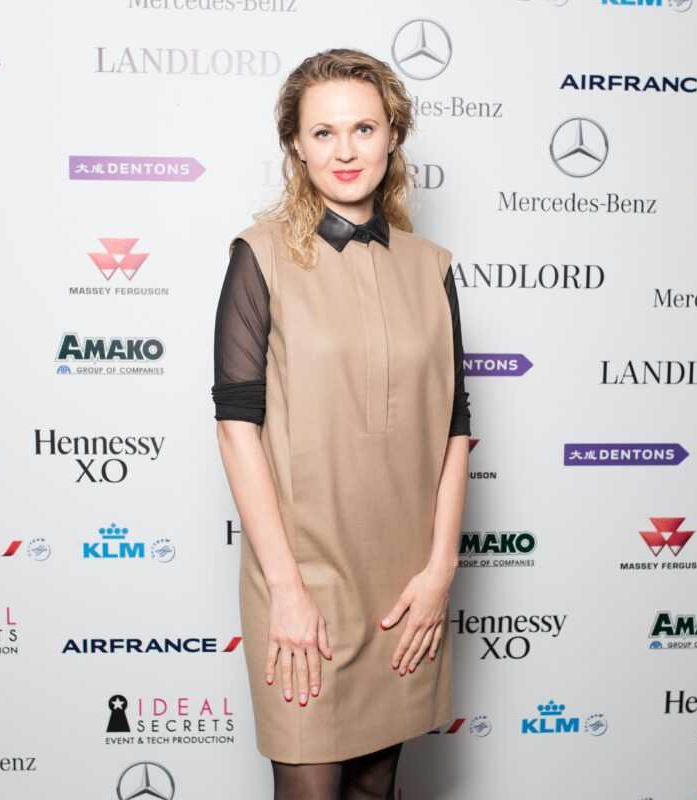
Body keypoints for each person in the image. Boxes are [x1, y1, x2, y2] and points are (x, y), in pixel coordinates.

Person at [211, 47, 471, 800]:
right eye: (323, 132)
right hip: (306, 577)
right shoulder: (260, 256)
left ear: (394, 135)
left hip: (405, 583)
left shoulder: (432, 265)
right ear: (296, 145)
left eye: (363, 128)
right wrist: (285, 589)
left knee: (375, 789)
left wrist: (439, 573)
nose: (345, 150)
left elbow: (455, 428)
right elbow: (236, 427)